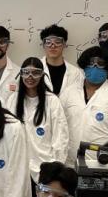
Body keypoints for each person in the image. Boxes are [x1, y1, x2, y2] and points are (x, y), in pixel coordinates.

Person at [12, 57, 70, 187]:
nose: (30, 76)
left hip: (46, 169)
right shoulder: (13, 101)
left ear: (42, 75)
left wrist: (55, 168)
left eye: (35, 72)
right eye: (26, 72)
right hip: (20, 168)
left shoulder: (52, 101)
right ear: (21, 74)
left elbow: (61, 137)